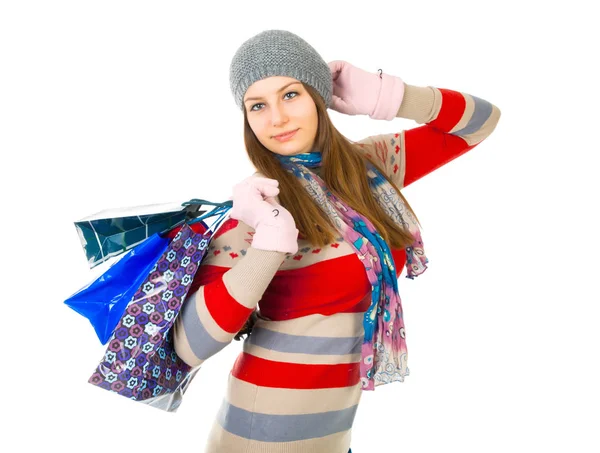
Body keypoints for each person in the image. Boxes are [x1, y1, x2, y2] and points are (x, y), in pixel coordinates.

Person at [172, 29, 501, 453]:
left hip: (332, 436)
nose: (277, 119)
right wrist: (270, 239)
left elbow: (481, 122)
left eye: (290, 95)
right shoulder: (255, 208)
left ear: (317, 96)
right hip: (259, 435)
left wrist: (389, 98)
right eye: (258, 105)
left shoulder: (369, 170)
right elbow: (188, 346)